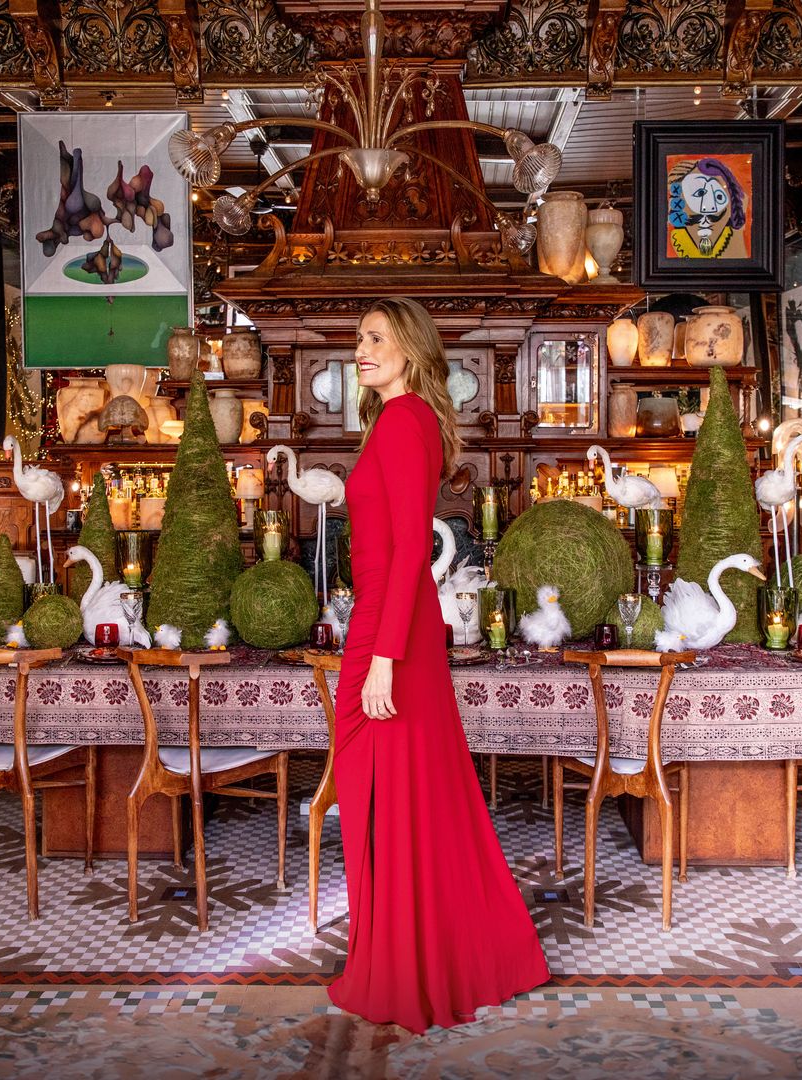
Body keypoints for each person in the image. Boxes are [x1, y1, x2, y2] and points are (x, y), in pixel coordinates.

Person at [329, 296, 550, 1033]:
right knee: (401, 793)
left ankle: (408, 966)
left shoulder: (402, 423)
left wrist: (384, 658)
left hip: (390, 631)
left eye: (375, 338)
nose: (360, 349)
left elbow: (403, 556)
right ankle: (425, 953)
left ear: (412, 350)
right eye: (358, 338)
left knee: (386, 793)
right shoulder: (404, 421)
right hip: (391, 624)